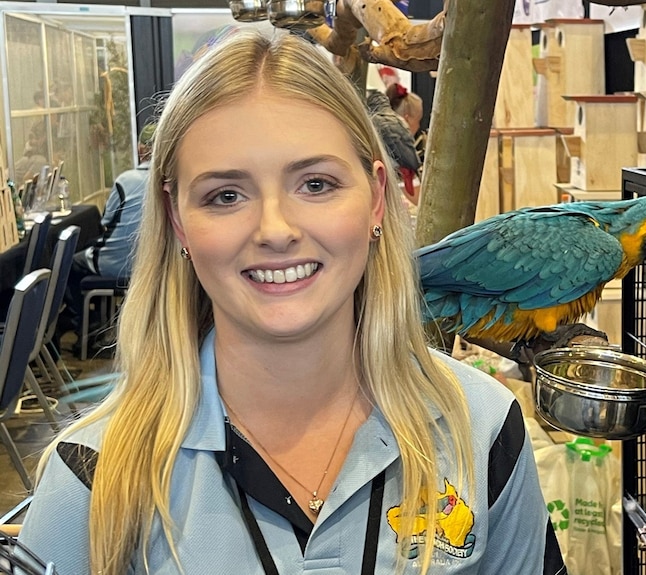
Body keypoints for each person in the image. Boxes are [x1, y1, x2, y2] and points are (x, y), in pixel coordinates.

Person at [19, 30, 565, 575]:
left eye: (317, 184)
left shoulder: (482, 429)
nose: (275, 230)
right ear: (177, 220)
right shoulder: (96, 477)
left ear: (376, 198)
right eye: (226, 195)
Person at [60, 123, 154, 345]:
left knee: (69, 263)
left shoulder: (125, 181)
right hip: (155, 262)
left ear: (141, 149)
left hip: (116, 263)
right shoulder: (174, 179)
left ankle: (86, 327)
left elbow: (106, 222)